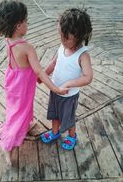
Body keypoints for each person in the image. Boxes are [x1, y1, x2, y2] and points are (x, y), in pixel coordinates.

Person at [0, 0, 68, 165]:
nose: (28, 24)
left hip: (13, 82)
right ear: (18, 25)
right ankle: (8, 146)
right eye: (26, 21)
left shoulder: (9, 42)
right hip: (22, 87)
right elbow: (39, 71)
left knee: (17, 110)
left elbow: (18, 66)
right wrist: (55, 88)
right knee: (20, 113)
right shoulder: (27, 47)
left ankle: (25, 125)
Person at [40, 8, 93, 150]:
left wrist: (70, 83)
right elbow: (53, 63)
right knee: (55, 114)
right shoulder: (62, 47)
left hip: (69, 96)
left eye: (65, 38)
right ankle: (55, 132)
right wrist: (43, 75)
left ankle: (71, 136)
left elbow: (88, 77)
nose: (62, 40)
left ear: (78, 35)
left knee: (68, 118)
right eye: (60, 36)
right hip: (55, 90)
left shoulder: (83, 55)